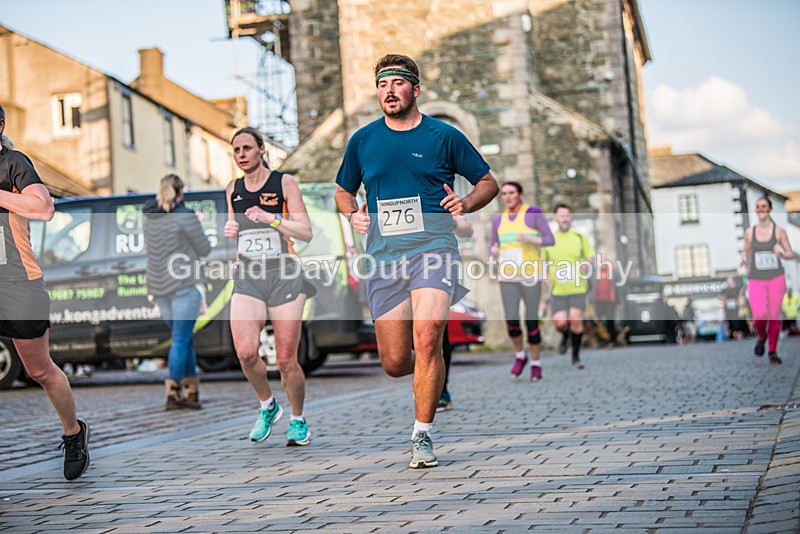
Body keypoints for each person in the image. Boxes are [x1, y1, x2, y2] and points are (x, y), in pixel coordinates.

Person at [334, 54, 498, 468]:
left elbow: (487, 182)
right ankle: (432, 372)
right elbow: (342, 191)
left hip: (434, 249)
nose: (389, 90)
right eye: (382, 84)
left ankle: (421, 435)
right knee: (394, 363)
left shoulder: (444, 136)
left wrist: (465, 202)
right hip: (385, 257)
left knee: (427, 339)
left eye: (397, 83)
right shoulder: (364, 141)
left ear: (415, 89)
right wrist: (353, 212)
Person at [0, 102, 90, 480]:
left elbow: (44, 207)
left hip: (18, 282)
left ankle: (73, 433)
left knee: (39, 369)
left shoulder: (13, 163)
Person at [224, 126, 315, 446]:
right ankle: (267, 405)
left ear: (262, 150)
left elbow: (305, 232)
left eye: (247, 148)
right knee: (246, 352)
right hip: (249, 274)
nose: (241, 155)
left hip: (284, 272)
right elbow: (238, 234)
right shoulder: (232, 188)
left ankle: (297, 418)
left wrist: (273, 219)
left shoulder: (284, 183)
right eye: (236, 150)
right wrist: (230, 230)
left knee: (286, 358)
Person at [143, 174, 211, 410]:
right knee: (181, 339)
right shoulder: (184, 215)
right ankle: (173, 395)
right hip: (183, 283)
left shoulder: (149, 216)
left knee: (183, 338)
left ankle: (192, 394)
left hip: (158, 286)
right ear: (181, 192)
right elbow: (204, 248)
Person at [489, 181, 554, 381]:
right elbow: (493, 245)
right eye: (504, 194)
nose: (508, 197)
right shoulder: (498, 220)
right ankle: (520, 355)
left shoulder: (532, 213)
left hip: (530, 275)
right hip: (507, 276)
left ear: (520, 195)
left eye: (512, 193)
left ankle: (536, 363)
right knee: (512, 322)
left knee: (531, 321)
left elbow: (550, 239)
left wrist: (532, 239)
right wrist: (494, 251)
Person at [740, 196, 794, 364]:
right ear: (755, 210)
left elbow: (791, 253)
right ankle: (762, 336)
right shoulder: (750, 232)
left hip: (776, 278)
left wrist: (781, 253)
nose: (761, 209)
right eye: (758, 207)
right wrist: (744, 261)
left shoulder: (779, 232)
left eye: (764, 206)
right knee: (760, 315)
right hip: (756, 279)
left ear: (770, 209)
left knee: (774, 315)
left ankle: (772, 351)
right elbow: (745, 251)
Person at [542, 204, 594, 369]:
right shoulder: (549, 239)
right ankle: (566, 335)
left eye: (567, 216)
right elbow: (543, 261)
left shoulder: (579, 236)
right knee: (560, 323)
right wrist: (545, 277)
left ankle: (576, 357)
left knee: (575, 318)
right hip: (558, 288)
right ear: (555, 218)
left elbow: (590, 256)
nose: (565, 219)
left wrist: (585, 264)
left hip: (577, 286)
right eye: (561, 216)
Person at [438, 215, 474, 412]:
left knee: (437, 331)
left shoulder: (439, 188)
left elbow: (467, 230)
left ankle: (441, 389)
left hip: (436, 265)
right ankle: (427, 377)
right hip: (397, 266)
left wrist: (449, 219)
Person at [594, 263, 619, 348]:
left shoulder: (612, 276)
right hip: (598, 302)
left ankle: (612, 340)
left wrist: (619, 301)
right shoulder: (596, 276)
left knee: (610, 321)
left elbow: (617, 288)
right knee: (598, 322)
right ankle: (602, 340)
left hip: (609, 302)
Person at [720, 276, 748, 340]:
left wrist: (739, 301)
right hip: (729, 311)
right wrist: (724, 300)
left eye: (731, 281)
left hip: (737, 310)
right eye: (729, 281)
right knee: (731, 324)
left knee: (739, 323)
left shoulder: (736, 289)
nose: (730, 282)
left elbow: (741, 295)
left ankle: (740, 335)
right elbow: (720, 296)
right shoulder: (725, 290)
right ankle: (734, 336)